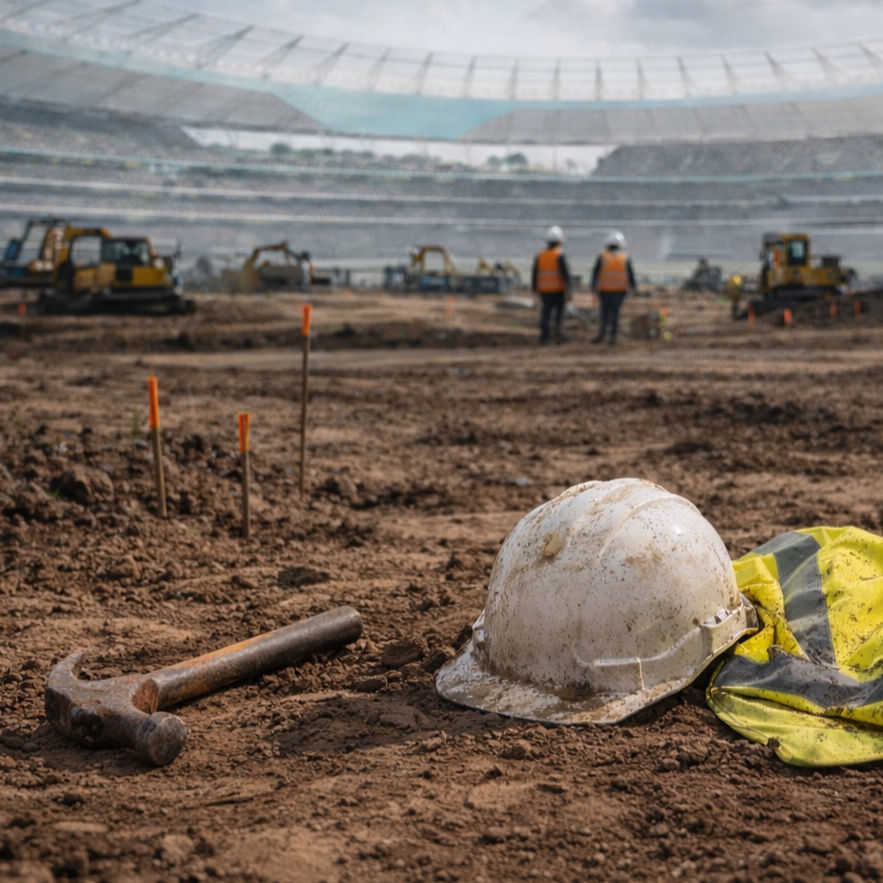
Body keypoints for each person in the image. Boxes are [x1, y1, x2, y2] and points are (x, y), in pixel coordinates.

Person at [591, 230, 636, 346]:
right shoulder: (624, 258)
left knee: (604, 313)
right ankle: (613, 337)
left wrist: (593, 286)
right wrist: (634, 288)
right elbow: (631, 275)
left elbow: (595, 273)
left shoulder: (602, 256)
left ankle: (602, 334)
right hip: (619, 292)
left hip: (604, 291)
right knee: (615, 314)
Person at [531, 225, 571, 345]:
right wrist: (569, 290)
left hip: (544, 290)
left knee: (546, 313)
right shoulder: (559, 255)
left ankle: (545, 337)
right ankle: (558, 334)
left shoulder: (540, 255)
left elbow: (535, 273)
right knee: (559, 314)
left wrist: (534, 287)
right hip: (558, 290)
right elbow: (565, 274)